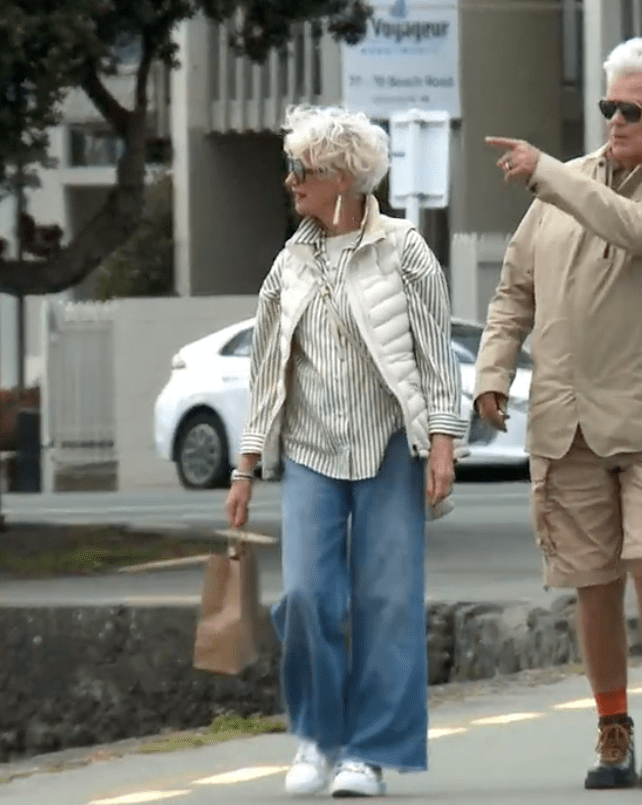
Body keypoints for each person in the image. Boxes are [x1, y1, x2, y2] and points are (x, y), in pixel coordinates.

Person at [475, 37, 642, 790]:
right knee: (590, 580)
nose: (614, 120)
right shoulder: (565, 186)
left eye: (631, 108)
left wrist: (546, 173)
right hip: (565, 415)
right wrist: (492, 369)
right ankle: (611, 726)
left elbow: (641, 231)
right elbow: (514, 288)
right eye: (606, 107)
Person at [224, 104, 467, 798]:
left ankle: (368, 752)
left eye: (302, 169)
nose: (289, 180)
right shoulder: (289, 261)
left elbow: (435, 357)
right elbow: (267, 370)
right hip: (307, 448)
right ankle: (317, 734)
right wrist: (245, 464)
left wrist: (444, 443)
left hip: (391, 444)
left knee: (387, 599)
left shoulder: (405, 249)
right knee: (306, 595)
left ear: (342, 177)